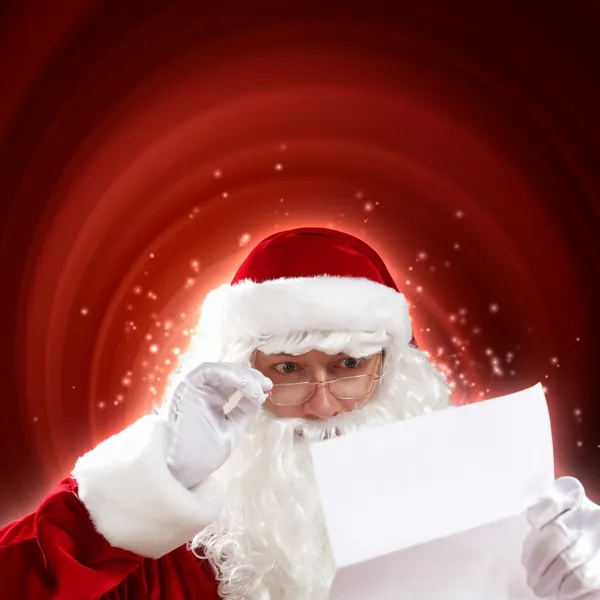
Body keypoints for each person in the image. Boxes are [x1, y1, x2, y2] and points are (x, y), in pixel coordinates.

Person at [0, 227, 598, 600]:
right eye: (285, 370)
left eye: (348, 366)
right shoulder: (168, 564)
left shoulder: (488, 520)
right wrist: (153, 482)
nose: (320, 406)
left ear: (392, 374)